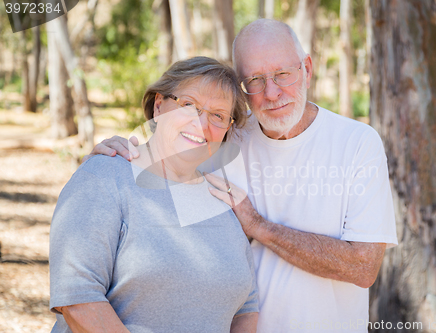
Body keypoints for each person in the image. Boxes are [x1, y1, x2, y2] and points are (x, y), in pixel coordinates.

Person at [86, 19, 398, 333]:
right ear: (243, 90)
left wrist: (260, 227)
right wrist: (114, 160)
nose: (272, 93)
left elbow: (363, 266)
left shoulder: (357, 142)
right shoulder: (223, 136)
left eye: (282, 74)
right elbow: (160, 188)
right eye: (255, 80)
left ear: (307, 68)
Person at [49, 57, 259, 333]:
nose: (201, 123)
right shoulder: (105, 176)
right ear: (159, 105)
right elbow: (78, 300)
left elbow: (246, 308)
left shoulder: (220, 199)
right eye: (189, 105)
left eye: (218, 115)